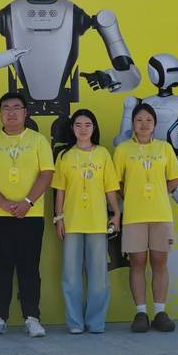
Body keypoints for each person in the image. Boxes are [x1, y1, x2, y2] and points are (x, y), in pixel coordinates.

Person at [0, 92, 54, 338]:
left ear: (25, 112)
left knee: (29, 268)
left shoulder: (38, 140)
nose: (11, 112)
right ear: (0, 114)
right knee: (0, 268)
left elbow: (46, 173)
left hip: (31, 214)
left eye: (16, 108)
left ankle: (32, 318)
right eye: (6, 108)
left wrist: (27, 202)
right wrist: (3, 203)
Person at [113, 103, 178, 333]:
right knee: (137, 263)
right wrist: (130, 195)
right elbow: (115, 182)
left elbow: (176, 178)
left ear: (155, 124)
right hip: (134, 216)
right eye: (139, 120)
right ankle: (141, 312)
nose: (144, 125)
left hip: (161, 214)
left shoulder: (164, 148)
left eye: (148, 121)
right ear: (133, 124)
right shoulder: (123, 149)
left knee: (160, 262)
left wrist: (160, 192)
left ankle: (160, 312)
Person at [52, 109, 121, 334]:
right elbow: (60, 191)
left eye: (87, 125)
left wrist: (116, 213)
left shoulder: (103, 154)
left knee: (98, 276)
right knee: (71, 276)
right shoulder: (64, 156)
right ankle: (75, 322)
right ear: (72, 128)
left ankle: (96, 321)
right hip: (71, 223)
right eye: (78, 125)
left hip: (97, 222)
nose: (83, 129)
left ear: (94, 128)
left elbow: (110, 188)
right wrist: (59, 218)